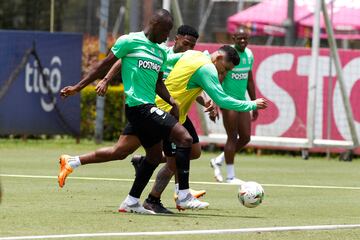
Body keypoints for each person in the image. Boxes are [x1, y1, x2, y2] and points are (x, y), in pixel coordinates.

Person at [59, 9, 210, 214]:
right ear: (156, 24)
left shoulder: (159, 51)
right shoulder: (129, 41)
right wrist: (79, 86)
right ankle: (183, 195)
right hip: (138, 107)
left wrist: (172, 101)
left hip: (150, 108)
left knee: (150, 156)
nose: (167, 37)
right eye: (166, 31)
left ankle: (130, 201)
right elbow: (105, 64)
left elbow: (158, 83)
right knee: (184, 139)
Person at [107, 45, 268, 213]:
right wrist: (252, 104)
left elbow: (165, 62)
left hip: (165, 110)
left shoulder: (193, 54)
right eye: (226, 68)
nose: (225, 73)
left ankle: (142, 200)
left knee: (162, 160)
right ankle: (183, 196)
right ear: (219, 58)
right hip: (163, 111)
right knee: (184, 141)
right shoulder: (208, 69)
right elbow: (222, 99)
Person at [210, 27, 258, 184]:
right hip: (228, 101)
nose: (243, 41)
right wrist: (215, 103)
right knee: (232, 136)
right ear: (233, 38)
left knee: (245, 137)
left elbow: (249, 80)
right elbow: (219, 79)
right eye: (239, 38)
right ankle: (230, 177)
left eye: (245, 38)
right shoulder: (228, 56)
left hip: (242, 101)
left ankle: (218, 160)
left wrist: (254, 102)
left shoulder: (249, 54)